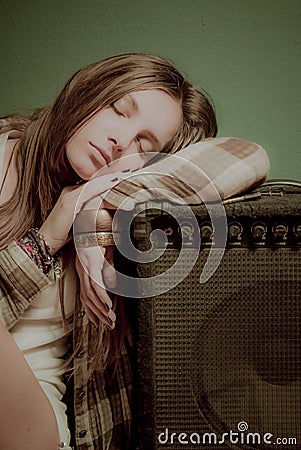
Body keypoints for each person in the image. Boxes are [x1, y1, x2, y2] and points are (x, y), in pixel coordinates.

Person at [0, 52, 217, 450]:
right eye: (119, 110)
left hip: (30, 430)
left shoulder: (120, 211)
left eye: (143, 143)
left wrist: (89, 217)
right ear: (88, 90)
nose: (122, 141)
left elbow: (250, 156)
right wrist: (47, 239)